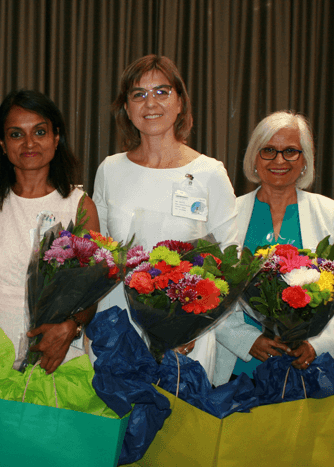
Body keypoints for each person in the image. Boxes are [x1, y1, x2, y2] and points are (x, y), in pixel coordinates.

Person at [92, 55, 237, 381]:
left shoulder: (209, 173)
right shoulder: (110, 170)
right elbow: (100, 254)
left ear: (180, 103)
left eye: (161, 91)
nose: (150, 103)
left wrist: (188, 326)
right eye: (138, 94)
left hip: (186, 338)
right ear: (126, 108)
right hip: (119, 332)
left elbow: (230, 260)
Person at [211, 111, 334, 387]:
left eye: (291, 151)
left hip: (311, 367)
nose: (279, 160)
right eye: (268, 150)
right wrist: (245, 340)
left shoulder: (331, 214)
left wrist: (318, 345)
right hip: (241, 368)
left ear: (305, 159)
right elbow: (212, 291)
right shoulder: (228, 214)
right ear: (254, 158)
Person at [0, 90, 99, 376]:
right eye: (16, 134)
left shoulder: (80, 206)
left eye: (39, 131)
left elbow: (90, 291)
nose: (29, 143)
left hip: (56, 346)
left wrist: (71, 326)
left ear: (56, 137)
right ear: (2, 143)